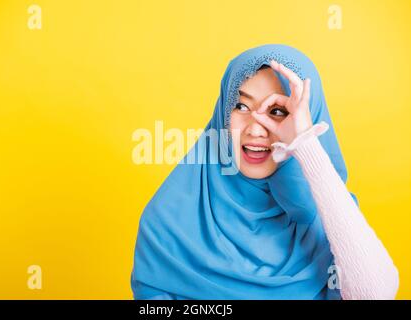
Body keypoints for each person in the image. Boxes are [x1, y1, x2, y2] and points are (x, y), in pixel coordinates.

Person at [130, 44, 399, 300]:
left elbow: (375, 293)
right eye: (241, 107)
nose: (256, 129)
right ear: (223, 113)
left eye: (278, 111)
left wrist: (305, 143)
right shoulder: (168, 221)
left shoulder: (330, 215)